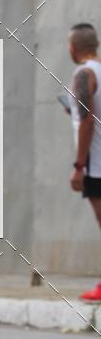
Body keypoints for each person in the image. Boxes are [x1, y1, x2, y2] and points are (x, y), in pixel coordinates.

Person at [67, 24, 101, 301]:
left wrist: (79, 167)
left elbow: (88, 118)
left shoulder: (83, 73)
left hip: (96, 165)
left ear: (73, 47)